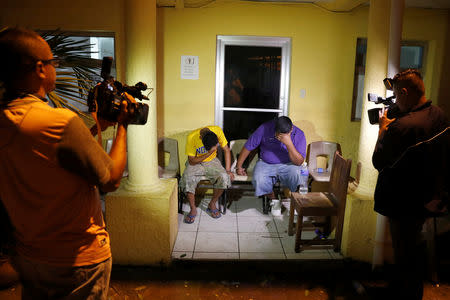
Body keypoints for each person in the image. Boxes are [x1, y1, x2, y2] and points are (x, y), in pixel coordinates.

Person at [0, 27, 132, 299]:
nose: (55, 68)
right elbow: (111, 179)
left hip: (31, 257)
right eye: (53, 62)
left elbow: (49, 157)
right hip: (77, 262)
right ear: (39, 68)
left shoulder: (7, 120)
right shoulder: (59, 121)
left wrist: (94, 129)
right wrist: (123, 126)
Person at [372, 69, 449, 300]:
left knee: (405, 252)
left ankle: (407, 295)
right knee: (411, 250)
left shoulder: (402, 128)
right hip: (425, 194)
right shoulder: (438, 115)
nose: (395, 100)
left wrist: (382, 131)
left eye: (396, 95)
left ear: (404, 92)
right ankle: (401, 290)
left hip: (402, 200)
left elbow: (378, 161)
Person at [235, 116, 306, 199]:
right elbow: (248, 146)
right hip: (265, 163)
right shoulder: (265, 128)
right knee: (258, 179)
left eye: (286, 133)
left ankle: (292, 200)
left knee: (298, 175)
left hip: (289, 164)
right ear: (275, 129)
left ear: (291, 128)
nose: (282, 136)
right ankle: (273, 200)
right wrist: (239, 167)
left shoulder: (299, 133)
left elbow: (299, 162)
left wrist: (288, 143)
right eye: (280, 134)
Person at [179, 126, 234, 223]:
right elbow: (191, 161)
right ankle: (193, 209)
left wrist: (228, 170)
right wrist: (209, 153)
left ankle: (212, 204)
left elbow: (226, 150)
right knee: (188, 179)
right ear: (201, 138)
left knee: (224, 177)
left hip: (212, 161)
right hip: (196, 162)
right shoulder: (192, 137)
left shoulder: (217, 131)